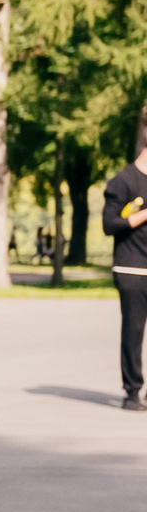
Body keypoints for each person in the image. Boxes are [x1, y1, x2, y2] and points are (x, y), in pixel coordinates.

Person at [105, 147, 147, 410]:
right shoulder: (123, 181)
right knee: (133, 332)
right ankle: (132, 392)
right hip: (131, 270)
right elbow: (109, 224)